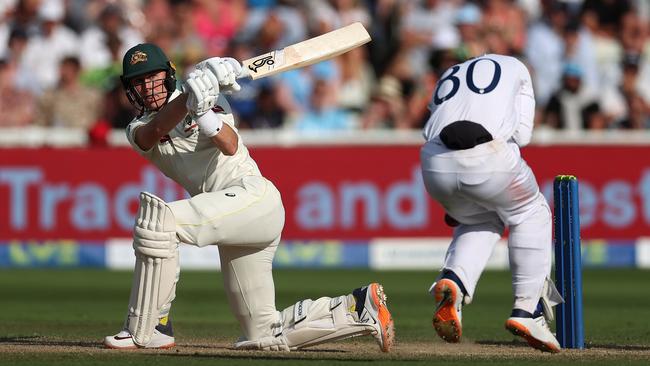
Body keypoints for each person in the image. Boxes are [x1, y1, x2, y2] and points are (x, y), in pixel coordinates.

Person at [104, 43, 394, 352]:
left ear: (168, 75)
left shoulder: (212, 100)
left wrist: (202, 109)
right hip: (231, 218)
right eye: (137, 82)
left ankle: (149, 328)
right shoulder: (137, 127)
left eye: (152, 77)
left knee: (160, 222)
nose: (147, 87)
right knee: (262, 334)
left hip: (252, 198)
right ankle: (359, 309)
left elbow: (228, 144)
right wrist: (191, 98)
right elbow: (156, 129)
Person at [419, 53, 563, 353]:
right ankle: (528, 310)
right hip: (485, 154)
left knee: (479, 218)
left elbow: (433, 121)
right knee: (530, 212)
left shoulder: (450, 72)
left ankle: (454, 279)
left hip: (433, 162)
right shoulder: (518, 66)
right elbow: (522, 135)